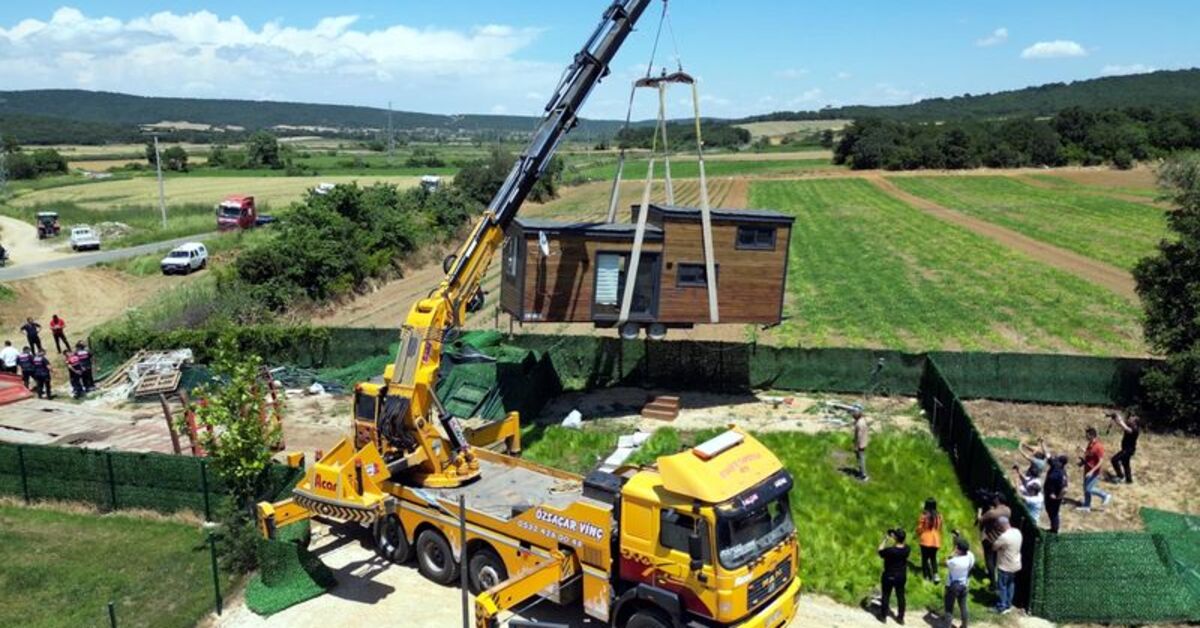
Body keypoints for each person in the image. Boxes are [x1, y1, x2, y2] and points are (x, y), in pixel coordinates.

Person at [877, 528, 910, 624]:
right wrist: (896, 538)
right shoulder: (907, 549)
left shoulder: (890, 551)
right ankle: (900, 618)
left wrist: (885, 539)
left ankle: (883, 616)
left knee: (886, 595)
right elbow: (902, 545)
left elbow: (880, 550)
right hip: (901, 576)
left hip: (889, 575)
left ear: (895, 538)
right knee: (901, 596)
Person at [977, 494, 1010, 587]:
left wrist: (979, 512)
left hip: (990, 539)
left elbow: (981, 520)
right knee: (994, 558)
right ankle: (992, 575)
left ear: (998, 500)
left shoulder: (992, 513)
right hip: (1001, 539)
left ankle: (993, 583)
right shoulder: (1008, 510)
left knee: (989, 560)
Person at [992, 516, 1023, 614]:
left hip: (1005, 566)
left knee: (1002, 586)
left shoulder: (1004, 537)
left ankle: (1002, 606)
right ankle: (1009, 604)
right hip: (1015, 564)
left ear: (1001, 526)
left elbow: (994, 547)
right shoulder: (1017, 532)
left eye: (998, 526)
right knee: (1011, 584)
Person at [944, 534, 975, 628]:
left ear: (959, 549)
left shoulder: (955, 561)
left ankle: (947, 626)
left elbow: (945, 562)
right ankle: (964, 625)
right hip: (964, 584)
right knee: (963, 607)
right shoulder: (970, 556)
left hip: (952, 586)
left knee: (949, 608)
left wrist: (952, 554)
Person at [1078, 427, 1112, 512]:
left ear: (1092, 435)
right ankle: (1087, 506)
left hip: (1094, 472)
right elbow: (1089, 455)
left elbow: (1100, 461)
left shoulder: (1098, 447)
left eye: (1087, 435)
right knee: (1085, 489)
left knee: (1089, 489)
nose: (1086, 437)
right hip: (1087, 470)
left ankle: (1105, 495)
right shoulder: (1090, 444)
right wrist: (1082, 462)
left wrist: (1091, 471)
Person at [1109, 412, 1141, 484]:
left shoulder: (1135, 430)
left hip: (1128, 450)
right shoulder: (1130, 426)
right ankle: (1129, 480)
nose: (1129, 420)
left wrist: (1119, 419)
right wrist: (1116, 418)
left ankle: (1120, 476)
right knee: (1125, 463)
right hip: (1126, 449)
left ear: (1135, 423)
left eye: (1131, 420)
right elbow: (1121, 424)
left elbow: (1125, 427)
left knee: (1114, 460)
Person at [916, 498, 943, 583]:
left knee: (924, 559)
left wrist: (918, 533)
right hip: (936, 540)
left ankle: (926, 576)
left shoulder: (924, 515)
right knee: (933, 558)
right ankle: (936, 575)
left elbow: (920, 528)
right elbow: (940, 527)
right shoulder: (939, 516)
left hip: (926, 539)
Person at [1043, 456, 1069, 534]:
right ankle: (1053, 527)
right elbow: (1048, 456)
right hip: (1048, 493)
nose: (1056, 462)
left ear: (1062, 463)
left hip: (1054, 497)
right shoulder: (1055, 465)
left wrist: (1058, 497)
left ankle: (1054, 530)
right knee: (1048, 510)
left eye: (1058, 461)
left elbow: (1065, 489)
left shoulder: (1062, 474)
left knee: (1054, 513)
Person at [852, 408, 870, 482]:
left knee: (860, 459)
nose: (853, 415)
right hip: (863, 443)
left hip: (860, 444)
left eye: (854, 414)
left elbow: (859, 436)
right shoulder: (862, 421)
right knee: (861, 458)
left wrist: (856, 446)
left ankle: (863, 475)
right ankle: (861, 472)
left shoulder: (859, 424)